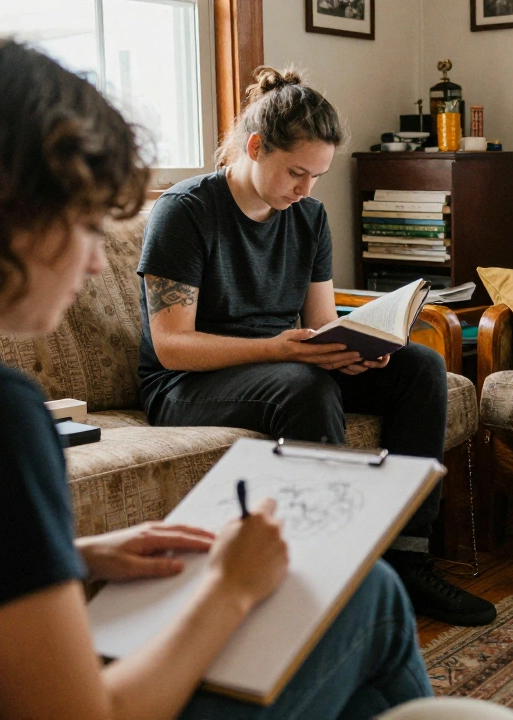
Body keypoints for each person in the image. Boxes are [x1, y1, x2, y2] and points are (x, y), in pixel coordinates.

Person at [0, 38, 432, 720]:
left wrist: (74, 556)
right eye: (86, 223)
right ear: (3, 212)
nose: (89, 266)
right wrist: (227, 587)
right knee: (368, 596)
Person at [135, 65, 494, 627]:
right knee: (303, 385)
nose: (305, 190)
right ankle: (328, 571)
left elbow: (322, 322)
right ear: (254, 147)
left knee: (420, 367)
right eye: (296, 173)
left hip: (286, 360)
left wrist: (360, 346)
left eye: (317, 176)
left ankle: (406, 562)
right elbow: (172, 347)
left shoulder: (308, 215)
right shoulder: (185, 212)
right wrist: (284, 350)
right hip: (188, 383)